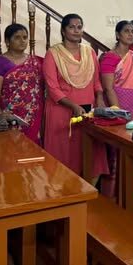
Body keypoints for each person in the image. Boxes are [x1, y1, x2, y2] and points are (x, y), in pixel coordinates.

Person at [43, 14, 106, 178]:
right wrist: (73, 106)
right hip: (62, 112)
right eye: (72, 27)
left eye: (79, 27)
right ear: (63, 31)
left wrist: (99, 98)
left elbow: (96, 81)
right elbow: (52, 88)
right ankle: (62, 188)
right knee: (63, 153)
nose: (76, 31)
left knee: (87, 151)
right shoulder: (53, 54)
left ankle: (87, 188)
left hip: (87, 110)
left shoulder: (89, 52)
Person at [100, 20, 133, 199]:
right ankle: (113, 196)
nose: (131, 34)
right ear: (118, 35)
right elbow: (108, 88)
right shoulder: (109, 57)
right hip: (117, 106)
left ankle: (132, 195)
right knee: (116, 151)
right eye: (127, 31)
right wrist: (118, 112)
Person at [0, 24, 44, 144]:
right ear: (7, 41)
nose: (22, 41)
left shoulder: (36, 61)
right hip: (9, 116)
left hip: (33, 115)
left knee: (33, 149)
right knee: (9, 148)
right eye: (17, 37)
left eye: (25, 37)